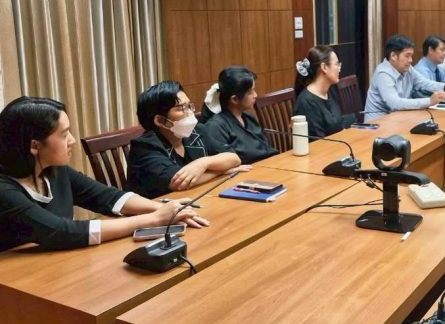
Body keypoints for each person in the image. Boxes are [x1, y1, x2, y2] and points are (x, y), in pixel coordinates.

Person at [0, 96, 208, 251]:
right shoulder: (4, 189)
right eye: (64, 135)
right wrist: (153, 219)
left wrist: (166, 209)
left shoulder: (54, 170)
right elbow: (60, 231)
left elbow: (107, 196)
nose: (72, 140)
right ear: (35, 146)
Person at [127, 81, 243, 199]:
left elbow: (234, 158)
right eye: (181, 108)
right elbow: (179, 183)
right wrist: (222, 171)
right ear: (160, 120)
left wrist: (203, 163)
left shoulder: (196, 131)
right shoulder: (144, 146)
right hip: (161, 205)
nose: (190, 112)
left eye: (189, 106)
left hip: (196, 197)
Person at [365, 35, 445, 121]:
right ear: (393, 56)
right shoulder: (383, 73)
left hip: (399, 118)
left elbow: (424, 82)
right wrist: (429, 101)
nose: (411, 60)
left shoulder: (408, 68)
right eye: (407, 56)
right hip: (378, 123)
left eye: (411, 56)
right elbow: (395, 103)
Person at [202, 66, 278, 163]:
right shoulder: (215, 127)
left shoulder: (248, 117)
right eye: (250, 92)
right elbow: (225, 163)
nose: (255, 95)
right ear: (234, 99)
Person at [292, 45, 355, 138]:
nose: (339, 68)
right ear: (324, 67)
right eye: (336, 64)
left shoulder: (330, 91)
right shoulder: (306, 102)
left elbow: (338, 125)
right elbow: (317, 142)